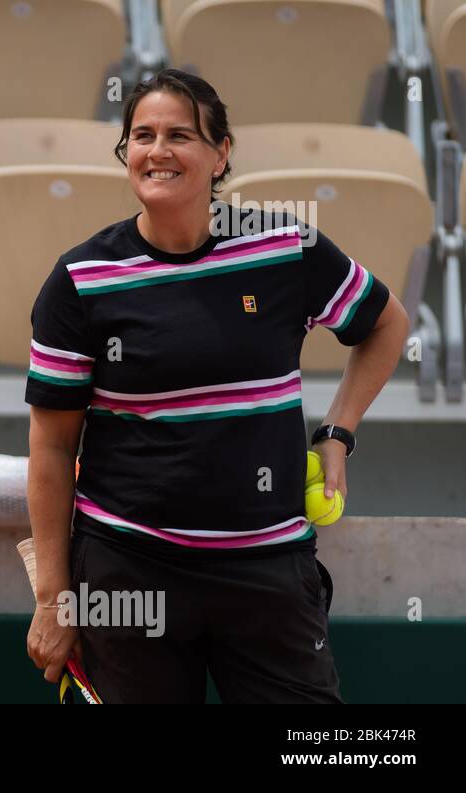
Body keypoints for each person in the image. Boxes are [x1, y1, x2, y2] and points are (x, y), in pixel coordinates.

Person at [23, 69, 409, 703]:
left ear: (221, 152)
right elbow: (52, 452)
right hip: (128, 572)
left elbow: (387, 323)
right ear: (127, 153)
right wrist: (53, 601)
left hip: (269, 572)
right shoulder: (80, 280)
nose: (159, 150)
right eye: (142, 135)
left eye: (181, 134)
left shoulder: (288, 246)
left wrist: (337, 434)